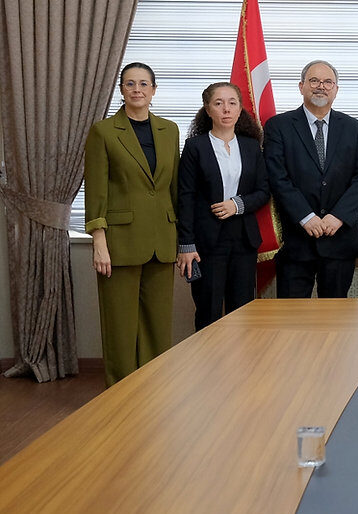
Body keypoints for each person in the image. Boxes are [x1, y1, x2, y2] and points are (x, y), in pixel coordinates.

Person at [84, 62, 179, 386]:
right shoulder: (104, 132)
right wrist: (99, 242)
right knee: (120, 326)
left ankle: (152, 389)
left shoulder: (170, 130)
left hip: (162, 241)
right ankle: (120, 394)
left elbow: (173, 189)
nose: (137, 89)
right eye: (129, 84)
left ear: (154, 90)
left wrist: (183, 243)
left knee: (157, 325)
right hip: (119, 244)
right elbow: (96, 190)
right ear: (121, 90)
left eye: (143, 83)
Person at [263, 60, 358, 298]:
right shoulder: (279, 126)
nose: (320, 86)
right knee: (292, 319)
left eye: (327, 82)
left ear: (336, 89)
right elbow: (277, 177)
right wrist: (306, 217)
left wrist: (338, 216)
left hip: (339, 238)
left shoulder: (354, 128)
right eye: (314, 81)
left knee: (335, 320)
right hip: (296, 239)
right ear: (301, 86)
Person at [176, 82, 270, 330]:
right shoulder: (195, 147)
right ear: (208, 110)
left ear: (240, 109)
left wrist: (237, 205)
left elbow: (263, 190)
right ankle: (209, 368)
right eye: (218, 103)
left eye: (232, 103)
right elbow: (185, 197)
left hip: (243, 240)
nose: (226, 109)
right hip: (207, 242)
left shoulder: (251, 146)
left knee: (242, 311)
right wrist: (186, 243)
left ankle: (241, 367)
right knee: (208, 310)